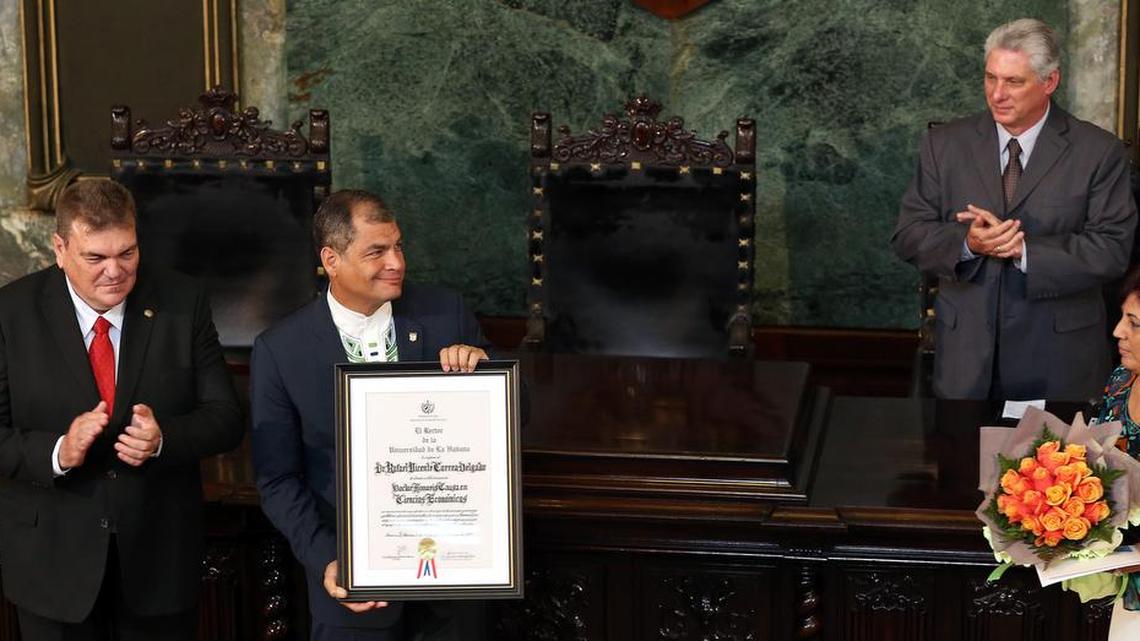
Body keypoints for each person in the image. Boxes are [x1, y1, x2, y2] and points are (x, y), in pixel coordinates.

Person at [0, 180, 244, 640]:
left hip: (158, 560)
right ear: (60, 247)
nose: (115, 271)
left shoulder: (181, 300)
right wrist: (56, 451)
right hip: (51, 563)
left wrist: (163, 440)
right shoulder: (10, 313)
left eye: (127, 253)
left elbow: (225, 417)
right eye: (95, 258)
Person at [250, 189, 489, 641]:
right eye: (376, 251)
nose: (396, 262)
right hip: (352, 589)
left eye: (398, 245)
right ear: (331, 259)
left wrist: (482, 371)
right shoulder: (281, 351)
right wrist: (327, 558)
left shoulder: (445, 314)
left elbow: (517, 416)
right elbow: (278, 480)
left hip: (452, 585)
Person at [892, 17, 1137, 401]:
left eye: (1013, 82)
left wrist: (1024, 251)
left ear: (1050, 82)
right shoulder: (944, 145)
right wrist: (969, 242)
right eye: (991, 78)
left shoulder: (1098, 152)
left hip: (1058, 363)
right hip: (966, 363)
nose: (997, 94)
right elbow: (908, 235)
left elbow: (1112, 250)